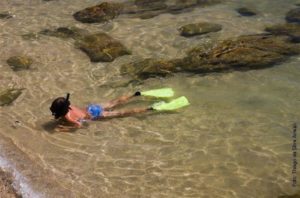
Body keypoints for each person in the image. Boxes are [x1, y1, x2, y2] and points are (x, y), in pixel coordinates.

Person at [49, 92, 152, 131]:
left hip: (95, 114)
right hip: (92, 108)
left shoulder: (68, 117)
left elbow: (78, 125)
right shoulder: (69, 105)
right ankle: (134, 94)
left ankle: (148, 109)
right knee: (113, 102)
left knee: (121, 113)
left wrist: (65, 128)